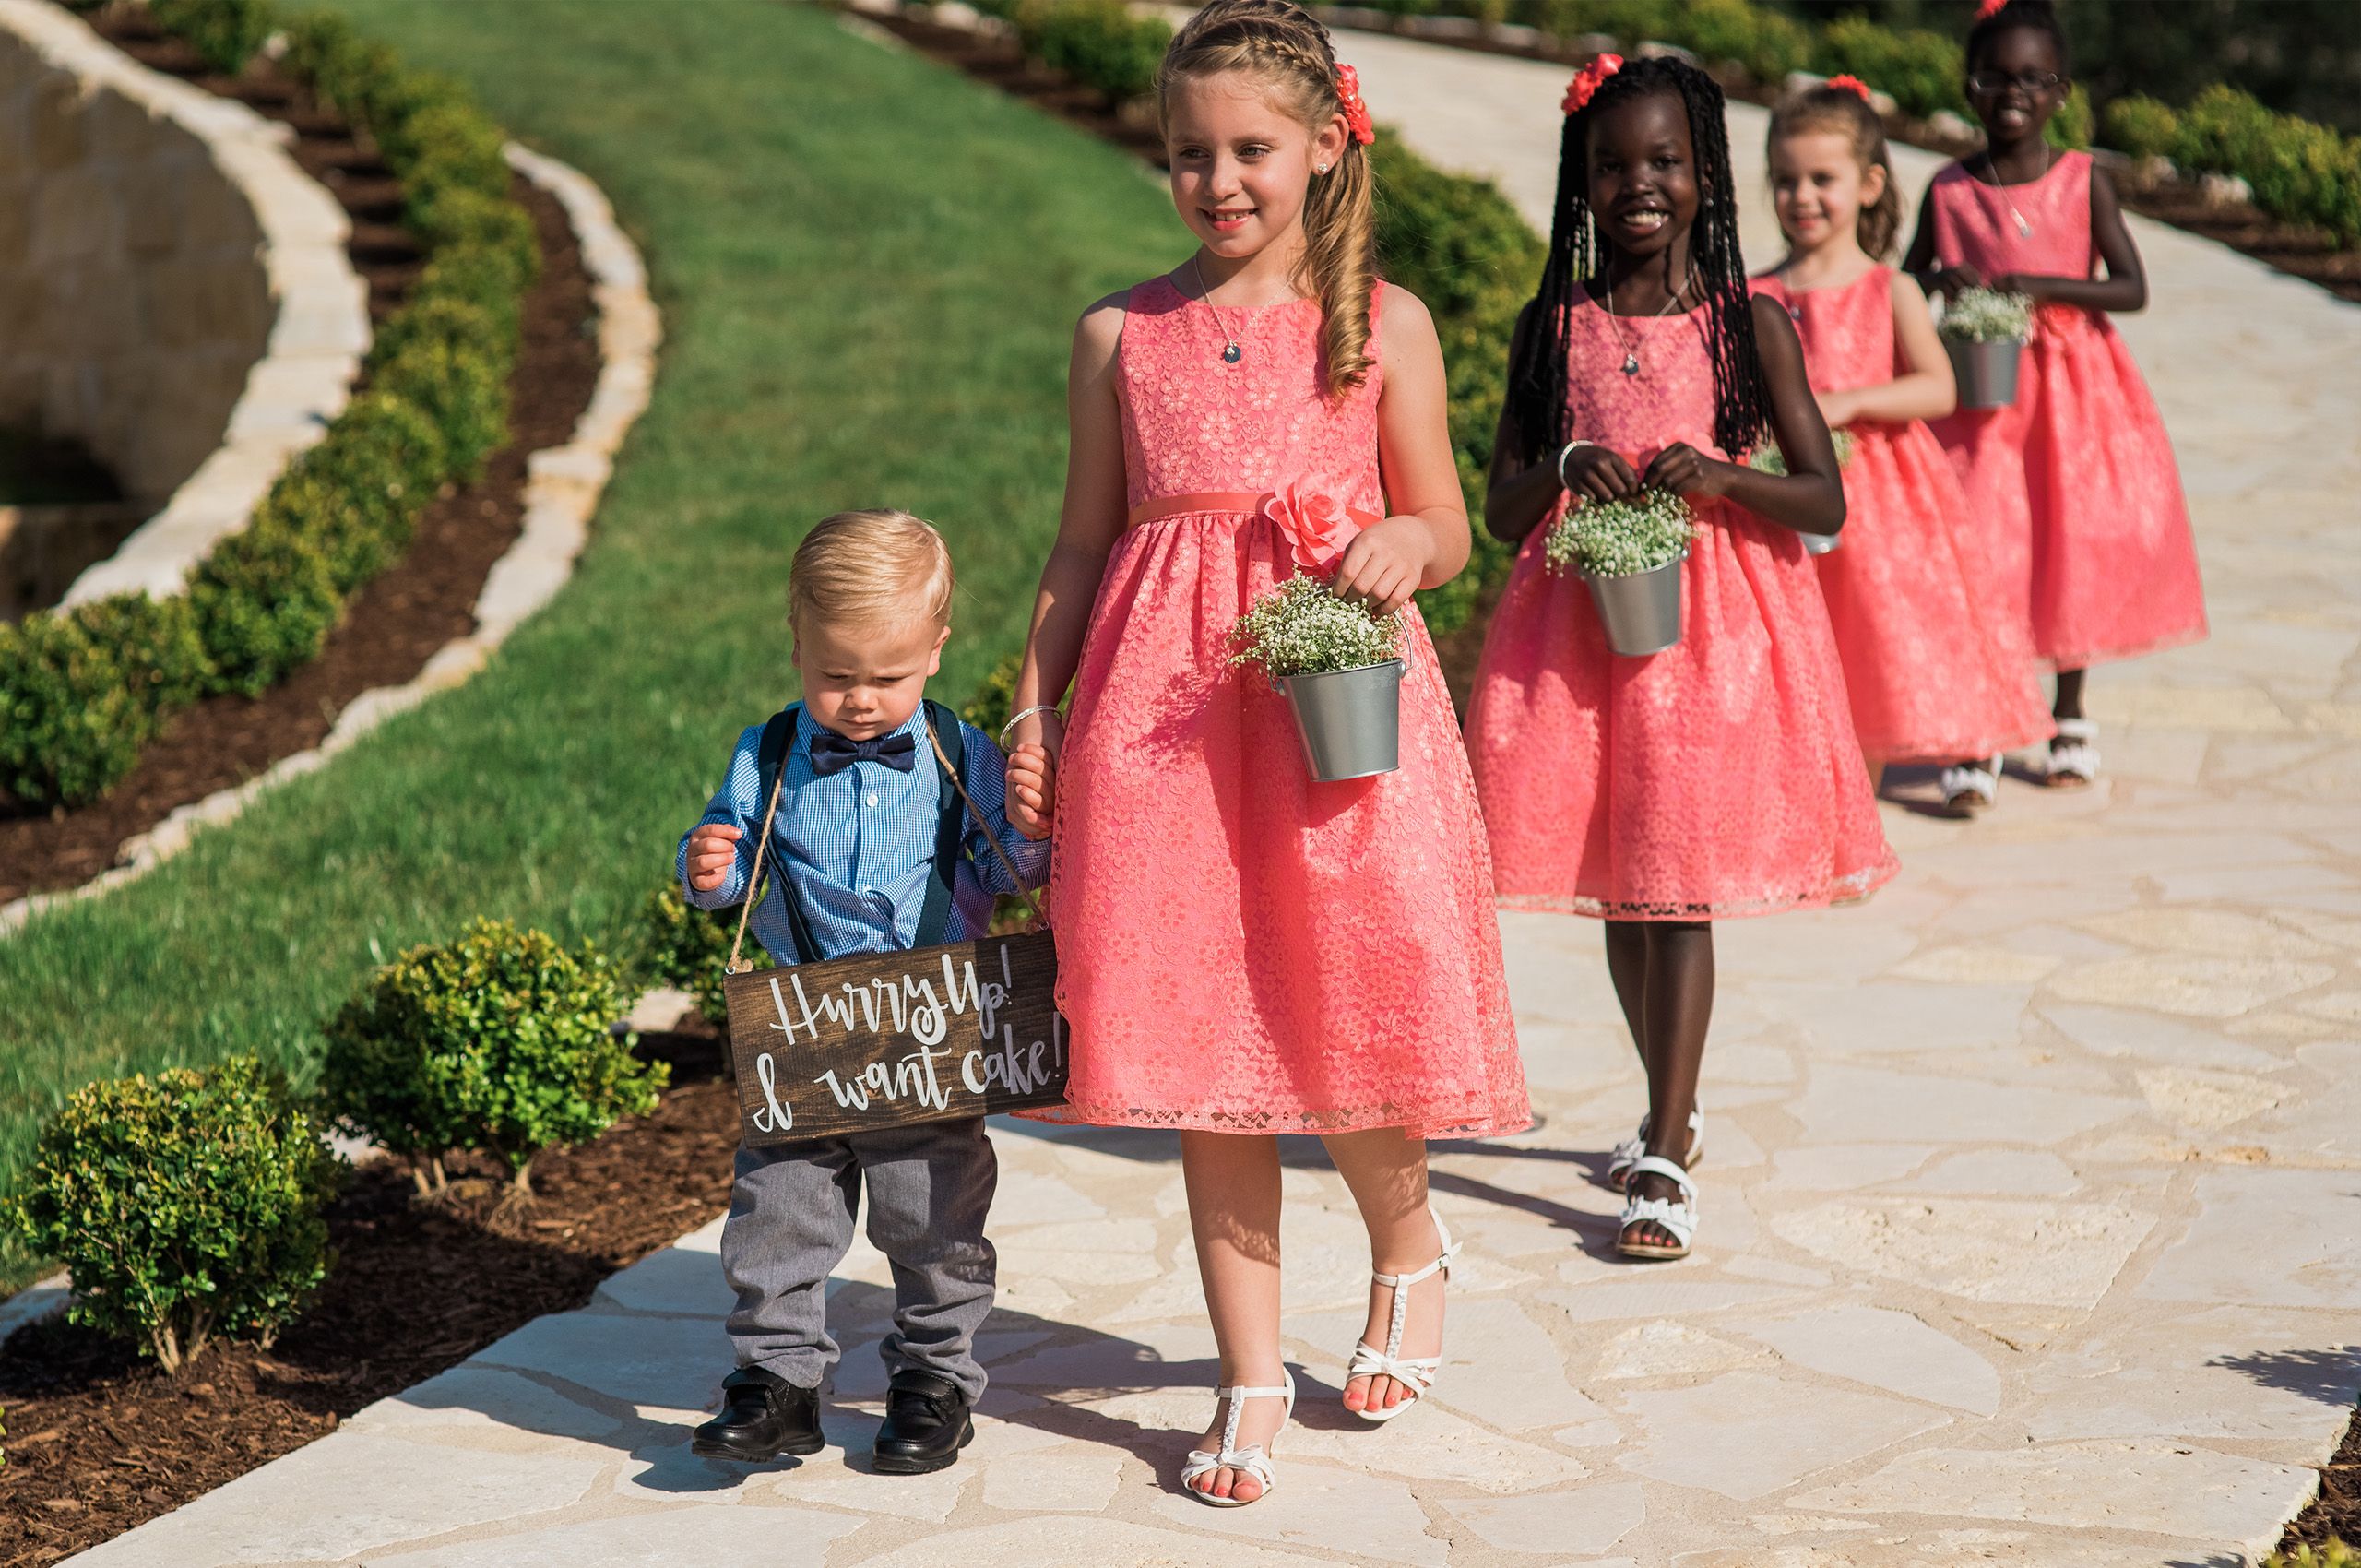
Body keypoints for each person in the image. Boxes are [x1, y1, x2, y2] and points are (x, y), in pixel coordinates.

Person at [1001, 0, 1528, 1507]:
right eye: (1188, 152)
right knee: (1196, 1041)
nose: (1217, 180)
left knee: (1347, 1007)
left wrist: (1395, 547)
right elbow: (1080, 543)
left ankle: (1411, 1247)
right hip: (1160, 727)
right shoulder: (1121, 333)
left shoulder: (1387, 328)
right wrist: (1035, 707)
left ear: (1321, 149)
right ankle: (1245, 1370)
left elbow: (1447, 522)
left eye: (1249, 150)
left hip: (1335, 713)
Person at [1465, 52, 1894, 1263]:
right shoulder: (1552, 328)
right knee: (1620, 880)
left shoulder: (1748, 323)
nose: (1638, 185)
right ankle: (1674, 1102)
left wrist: (1719, 474)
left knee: (1679, 884)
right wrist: (1559, 466)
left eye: (1664, 161)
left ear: (1707, 175)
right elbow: (1498, 505)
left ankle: (1661, 1140)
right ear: (1581, 183)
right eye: (1612, 166)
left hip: (1713, 646)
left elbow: (1822, 500)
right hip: (1581, 645)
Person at [677, 509, 1052, 1476]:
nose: (857, 700)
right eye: (835, 674)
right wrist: (709, 867)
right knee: (778, 1205)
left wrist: (1023, 825)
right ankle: (776, 1381)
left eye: (886, 678)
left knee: (933, 1214)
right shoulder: (764, 752)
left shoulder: (952, 748)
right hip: (804, 1022)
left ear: (936, 648)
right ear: (796, 643)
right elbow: (732, 867)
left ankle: (933, 1378)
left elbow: (1006, 870)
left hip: (928, 1022)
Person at [1904, 0, 2206, 788]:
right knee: (1988, 548)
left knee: (2071, 546)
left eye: (2033, 78)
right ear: (1970, 87)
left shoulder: (2083, 180)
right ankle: (1981, 727)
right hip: (1981, 400)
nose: (2014, 92)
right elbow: (1902, 287)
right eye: (1996, 77)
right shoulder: (1948, 191)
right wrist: (1941, 279)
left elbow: (2133, 286)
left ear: (2062, 91)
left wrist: (2047, 286)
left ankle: (2069, 709)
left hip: (2077, 398)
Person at [1753, 76, 2052, 811]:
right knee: (1792, 638)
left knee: (1871, 641)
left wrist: (1848, 402)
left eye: (1823, 179)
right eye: (1786, 181)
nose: (1803, 197)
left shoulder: (1889, 288)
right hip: (1785, 494)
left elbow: (1937, 387)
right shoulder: (1756, 290)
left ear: (1869, 184)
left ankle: (1857, 806)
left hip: (1879, 499)